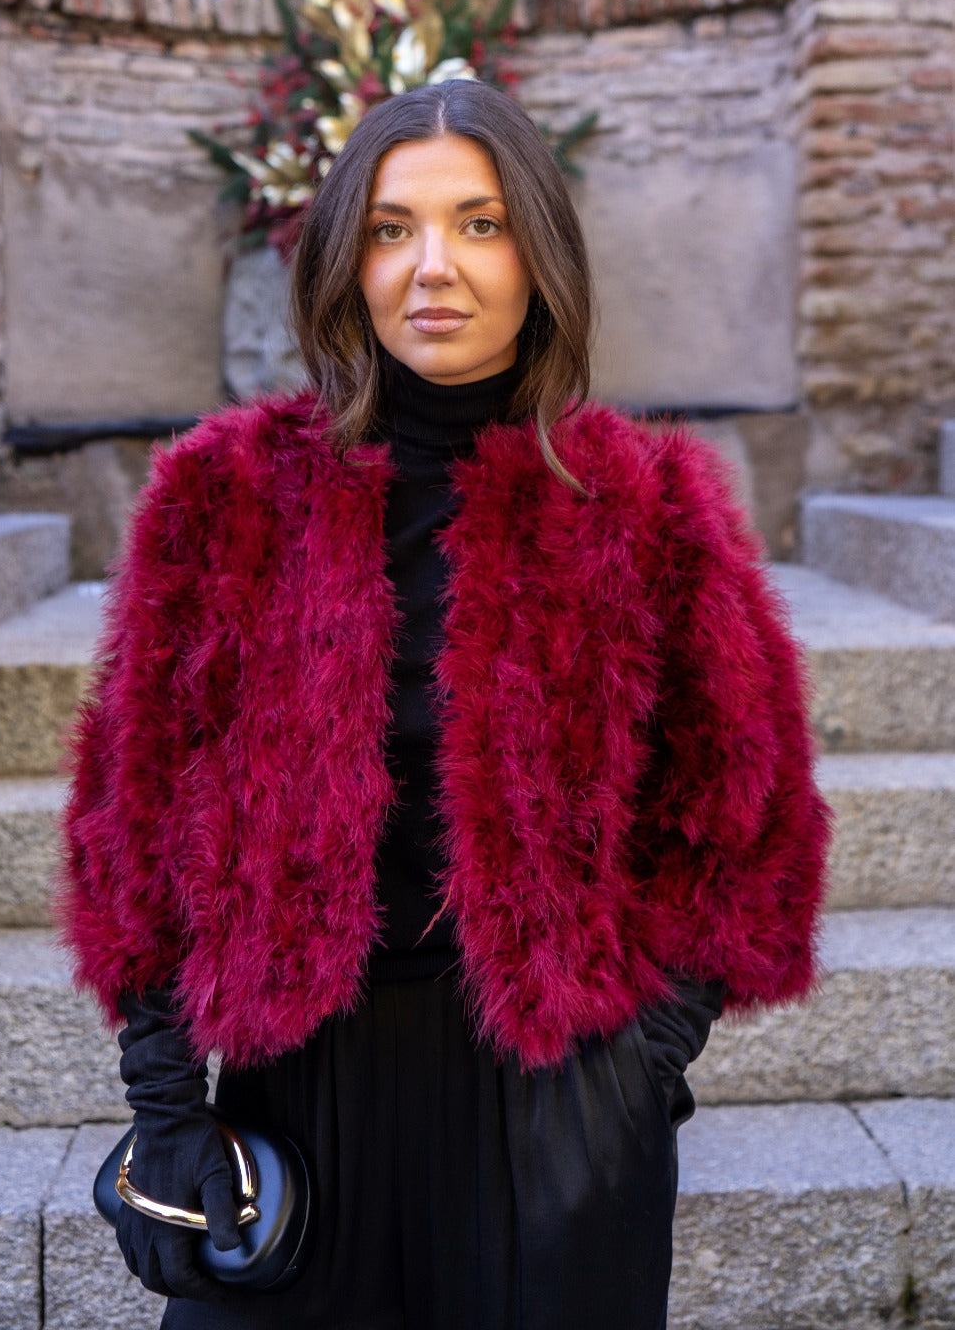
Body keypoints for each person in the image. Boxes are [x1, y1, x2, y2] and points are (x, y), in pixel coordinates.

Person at [60, 78, 832, 1330]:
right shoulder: (225, 497)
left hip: (555, 1108)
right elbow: (130, 824)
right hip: (293, 1098)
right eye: (390, 228)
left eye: (480, 223)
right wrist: (164, 1110)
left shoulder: (648, 506)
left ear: (539, 257)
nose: (434, 266)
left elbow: (751, 820)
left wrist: (640, 1070)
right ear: (343, 263)